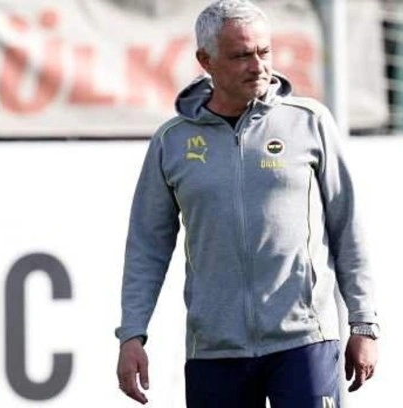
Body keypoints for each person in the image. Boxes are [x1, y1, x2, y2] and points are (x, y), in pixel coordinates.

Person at [115, 0, 379, 406]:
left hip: (304, 341)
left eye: (264, 52)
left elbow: (349, 229)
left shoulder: (310, 122)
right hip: (214, 351)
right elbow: (146, 246)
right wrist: (132, 334)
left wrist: (363, 324)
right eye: (241, 56)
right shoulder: (172, 142)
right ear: (206, 61)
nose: (258, 66)